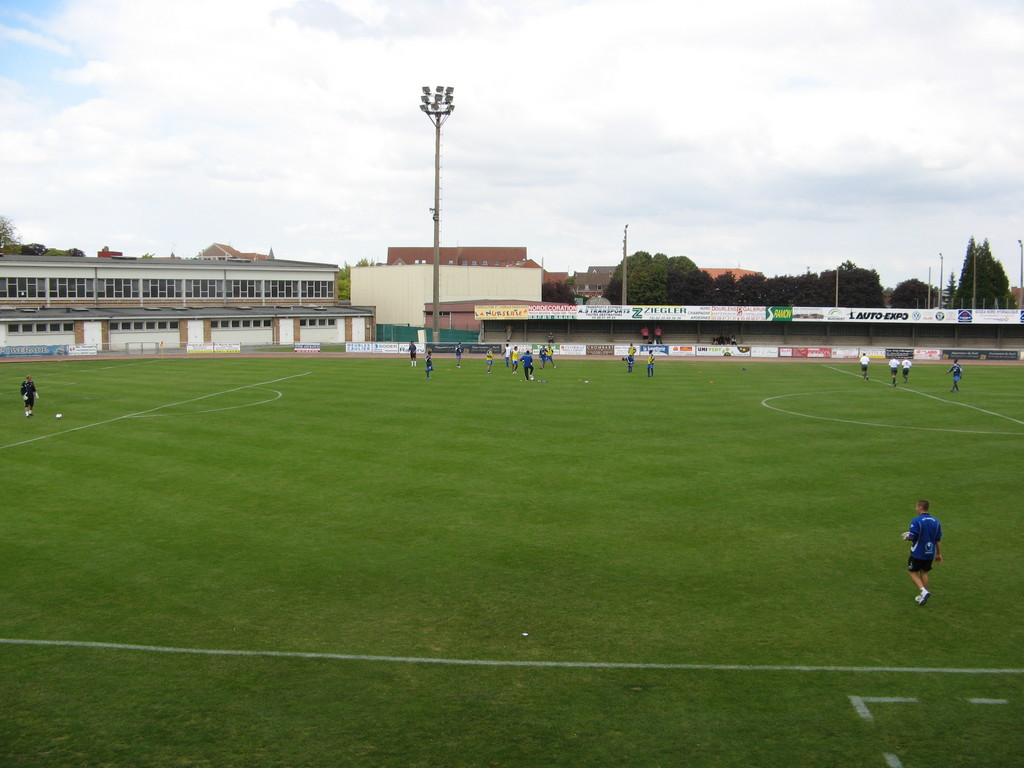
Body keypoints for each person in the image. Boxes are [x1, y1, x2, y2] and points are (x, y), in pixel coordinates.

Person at [902, 499, 942, 606]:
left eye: (916, 506)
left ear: (920, 507)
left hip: (918, 553)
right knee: (923, 572)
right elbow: (938, 540)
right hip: (930, 553)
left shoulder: (917, 521)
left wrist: (907, 537)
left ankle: (924, 591)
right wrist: (939, 554)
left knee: (912, 572)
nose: (916, 508)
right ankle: (923, 595)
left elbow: (913, 536)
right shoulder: (936, 521)